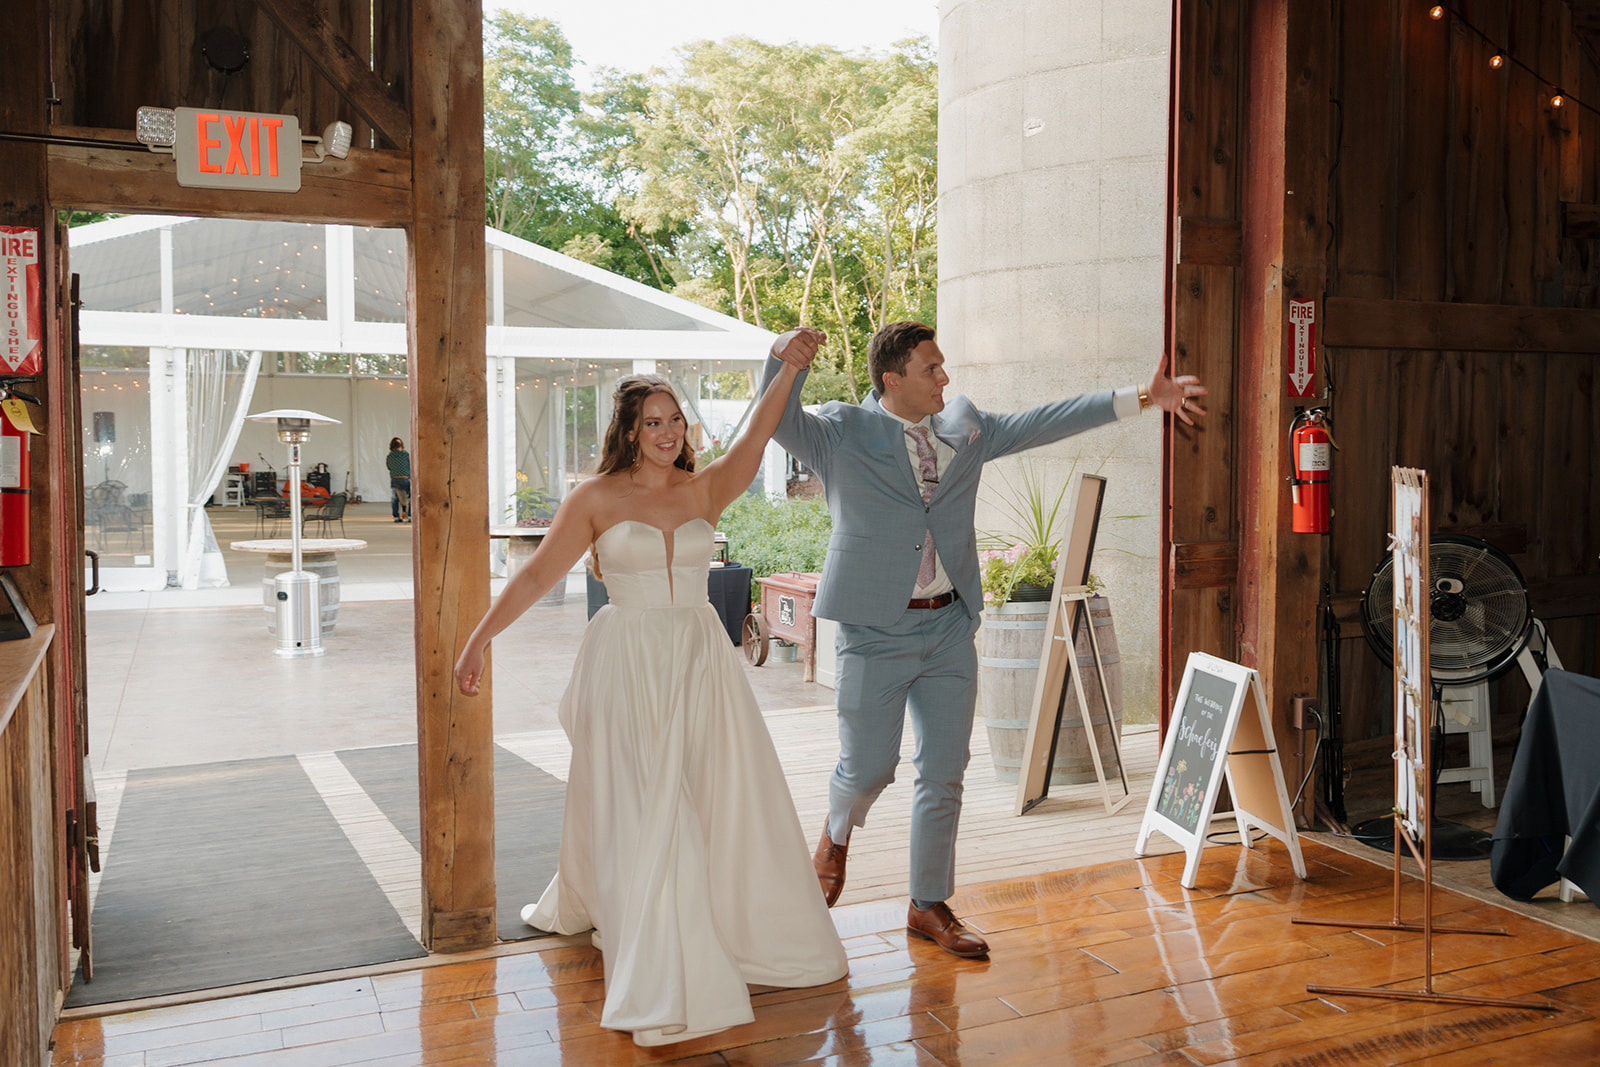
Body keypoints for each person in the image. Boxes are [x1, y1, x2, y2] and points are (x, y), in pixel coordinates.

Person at [761, 320, 1207, 959]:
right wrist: (786, 358)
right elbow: (775, 420)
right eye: (931, 369)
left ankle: (928, 903)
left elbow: (1043, 421)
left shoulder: (964, 427)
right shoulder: (840, 431)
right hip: (872, 629)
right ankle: (836, 833)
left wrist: (1141, 395)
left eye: (943, 367)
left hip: (947, 625)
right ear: (892, 380)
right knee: (868, 769)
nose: (946, 378)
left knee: (944, 773)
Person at [454, 331, 847, 1048]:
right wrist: (479, 638)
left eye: (677, 420)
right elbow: (538, 575)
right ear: (630, 431)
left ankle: (724, 921)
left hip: (701, 659)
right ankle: (659, 950)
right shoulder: (595, 497)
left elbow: (761, 431)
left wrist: (790, 367)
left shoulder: (707, 487)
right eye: (655, 422)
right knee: (647, 800)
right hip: (628, 659)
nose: (669, 433)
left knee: (709, 792)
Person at [386, 437, 411, 522]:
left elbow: (389, 467)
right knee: (410, 497)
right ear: (401, 446)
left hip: (395, 479)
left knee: (395, 498)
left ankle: (396, 517)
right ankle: (410, 516)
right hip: (405, 478)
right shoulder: (406, 454)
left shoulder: (389, 456)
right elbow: (410, 465)